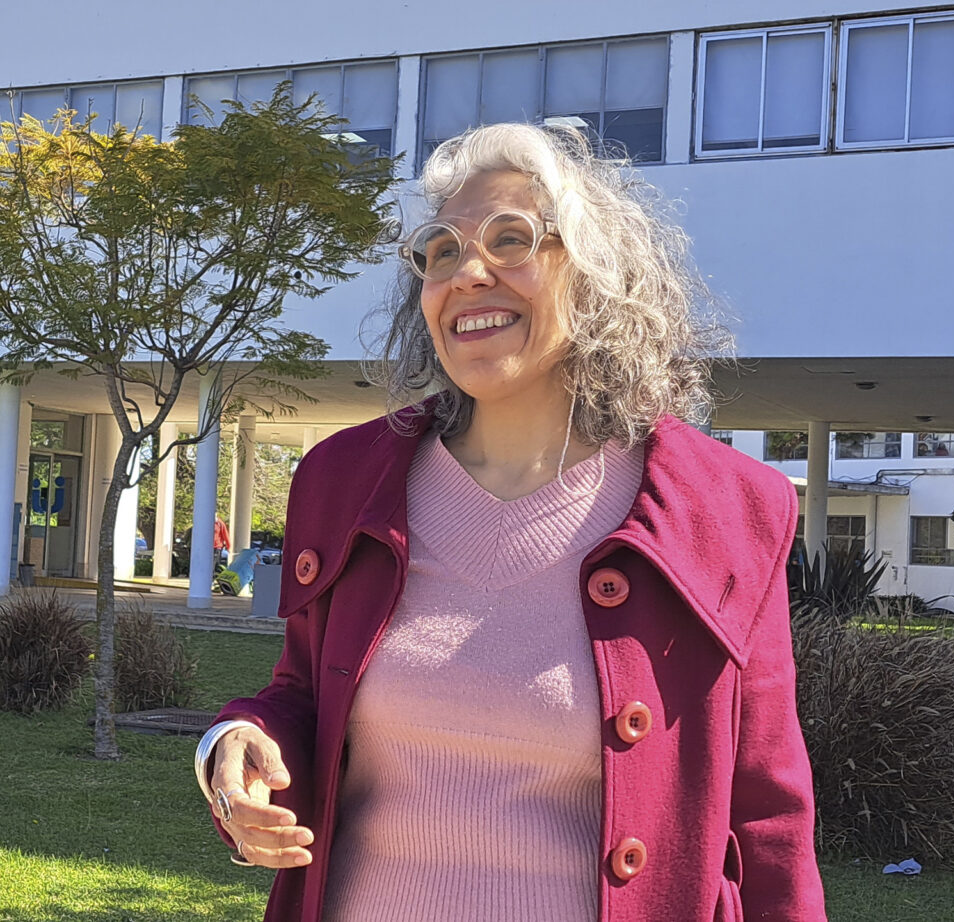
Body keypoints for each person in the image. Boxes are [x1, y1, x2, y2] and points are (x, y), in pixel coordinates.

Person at [194, 123, 824, 922]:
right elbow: (303, 694)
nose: (468, 273)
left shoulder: (729, 507)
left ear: (593, 274)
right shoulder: (342, 480)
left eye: (510, 238)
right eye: (441, 251)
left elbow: (769, 812)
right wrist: (238, 743)